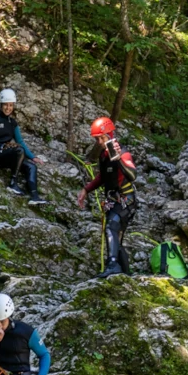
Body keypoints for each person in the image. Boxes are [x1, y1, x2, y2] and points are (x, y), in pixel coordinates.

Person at [74, 116, 138, 277]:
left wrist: (118, 160)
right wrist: (86, 190)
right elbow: (102, 177)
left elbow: (132, 175)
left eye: (102, 138)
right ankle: (125, 274)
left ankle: (113, 266)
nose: (100, 142)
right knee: (116, 239)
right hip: (113, 200)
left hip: (126, 200)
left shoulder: (122, 153)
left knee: (111, 227)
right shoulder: (103, 156)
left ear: (110, 135)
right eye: (98, 139)